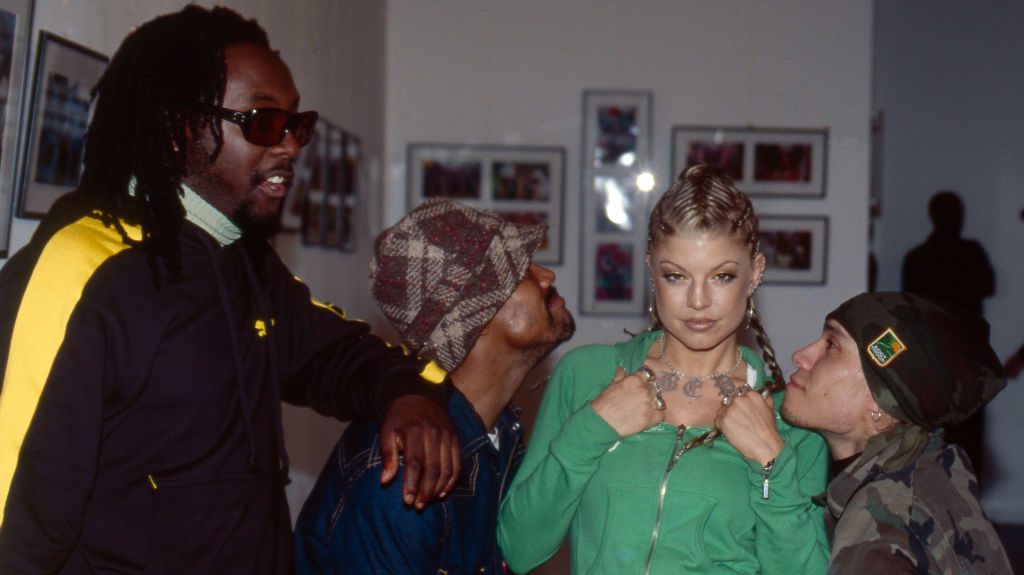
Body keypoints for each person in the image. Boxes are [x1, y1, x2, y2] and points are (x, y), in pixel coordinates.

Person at [0, 7, 459, 574]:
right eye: (265, 122)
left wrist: (413, 397)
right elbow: (15, 519)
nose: (290, 146)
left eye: (298, 124)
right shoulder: (85, 267)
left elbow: (340, 355)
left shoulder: (241, 261)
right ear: (177, 128)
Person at [497, 165, 830, 574]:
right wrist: (592, 429)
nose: (698, 300)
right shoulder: (589, 374)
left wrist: (772, 467)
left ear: (755, 272)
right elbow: (519, 546)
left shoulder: (790, 414)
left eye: (722, 276)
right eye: (676, 276)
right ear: (651, 268)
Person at [294, 199, 576, 574]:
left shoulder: (499, 435)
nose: (545, 276)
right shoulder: (401, 474)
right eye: (521, 271)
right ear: (477, 316)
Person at [764, 292, 1011, 573]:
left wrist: (769, 463)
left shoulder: (881, 523)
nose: (800, 356)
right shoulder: (928, 467)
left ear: (880, 400)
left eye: (831, 345)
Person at [901, 190, 996, 487]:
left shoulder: (928, 256)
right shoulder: (921, 257)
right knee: (940, 435)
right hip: (943, 360)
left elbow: (985, 285)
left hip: (957, 360)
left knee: (962, 436)